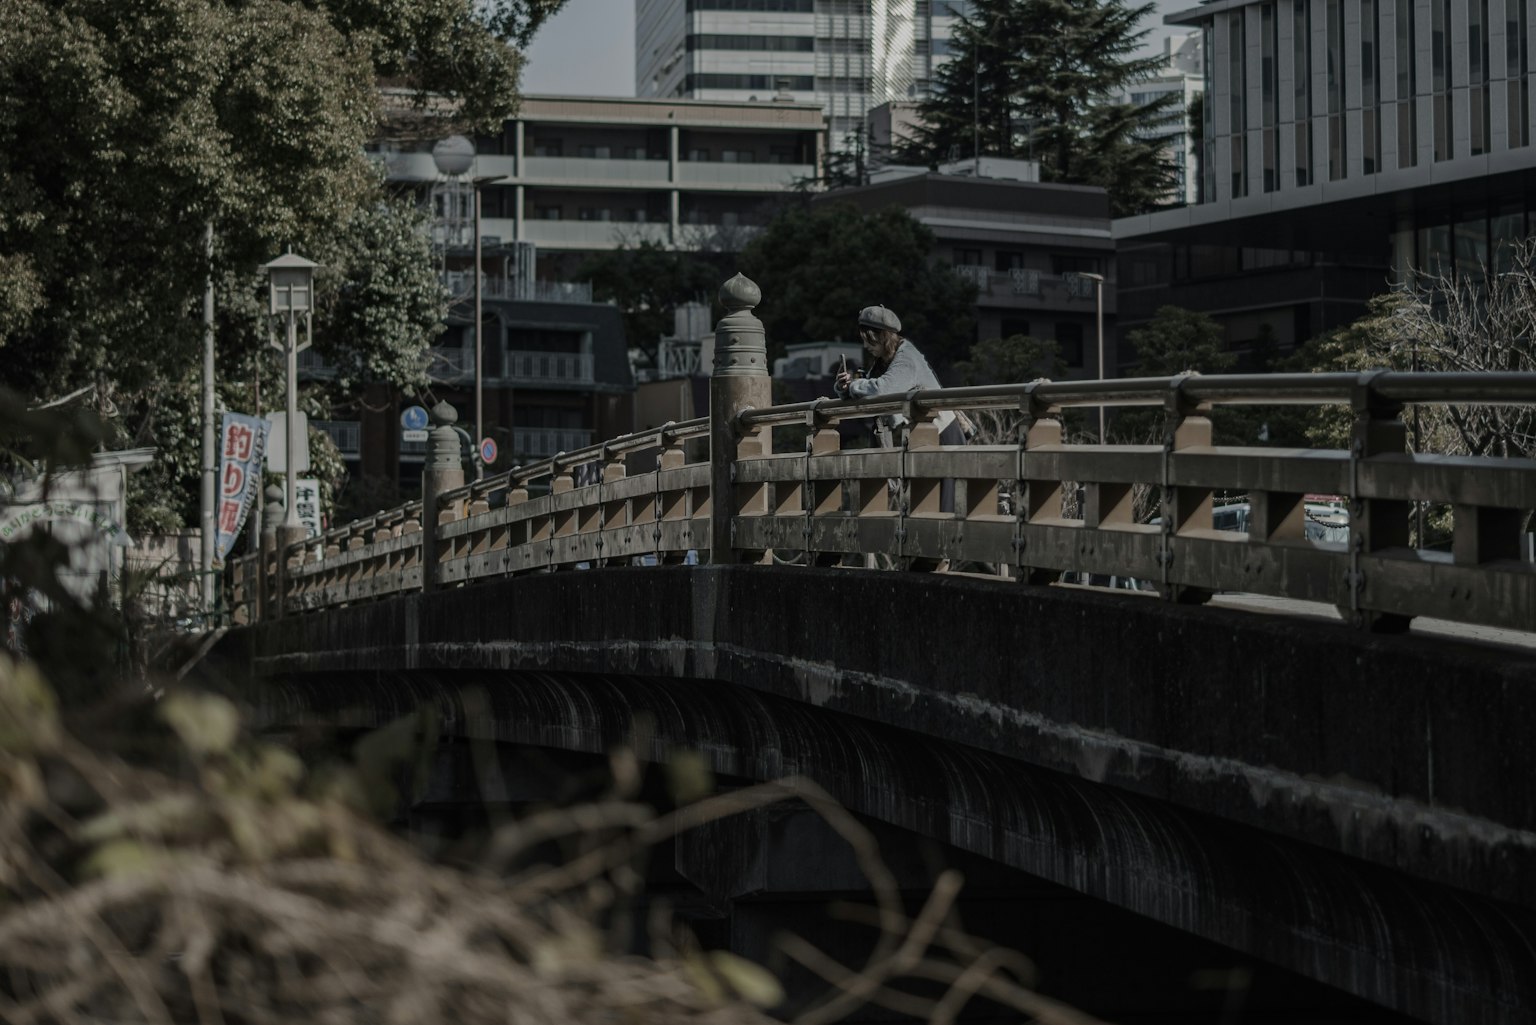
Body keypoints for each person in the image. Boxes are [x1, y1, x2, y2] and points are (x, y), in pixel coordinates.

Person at [834, 305, 966, 512]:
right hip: (922, 434)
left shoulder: (906, 358)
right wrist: (844, 387)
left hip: (942, 433)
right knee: (923, 506)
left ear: (881, 337)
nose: (865, 345)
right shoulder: (885, 361)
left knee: (942, 507)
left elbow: (882, 389)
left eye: (868, 340)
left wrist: (853, 386)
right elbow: (868, 389)